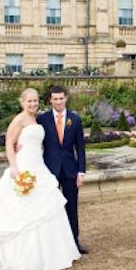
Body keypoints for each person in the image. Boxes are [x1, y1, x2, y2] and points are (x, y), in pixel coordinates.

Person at [0, 88, 80, 270]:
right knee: (22, 208)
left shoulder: (39, 120)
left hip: (38, 165)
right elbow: (9, 144)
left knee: (47, 206)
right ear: (22, 103)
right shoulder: (19, 119)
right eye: (29, 101)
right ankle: (19, 259)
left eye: (35, 101)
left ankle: (51, 254)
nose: (33, 104)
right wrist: (14, 167)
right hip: (22, 166)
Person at [37, 84, 88, 254]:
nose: (58, 102)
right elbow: (36, 143)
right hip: (49, 170)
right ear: (50, 100)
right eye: (55, 99)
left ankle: (74, 242)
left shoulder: (75, 119)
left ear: (66, 98)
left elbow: (80, 148)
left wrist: (81, 172)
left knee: (71, 207)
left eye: (61, 98)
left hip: (70, 171)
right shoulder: (42, 119)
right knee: (49, 208)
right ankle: (51, 245)